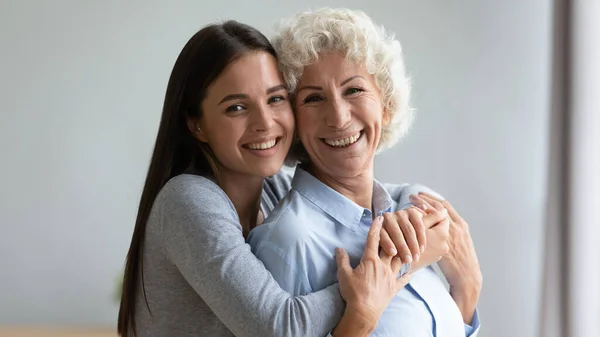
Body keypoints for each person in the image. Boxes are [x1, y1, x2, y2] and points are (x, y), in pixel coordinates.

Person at [117, 20, 450, 337]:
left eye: (275, 99)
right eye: (236, 107)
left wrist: (417, 216)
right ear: (196, 124)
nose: (265, 122)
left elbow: (388, 191)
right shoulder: (188, 201)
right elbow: (281, 328)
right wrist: (402, 260)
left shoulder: (271, 189)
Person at [248, 8, 482, 337]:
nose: (339, 117)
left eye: (354, 90)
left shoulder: (416, 209)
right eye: (314, 98)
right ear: (293, 122)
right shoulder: (288, 240)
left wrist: (467, 289)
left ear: (385, 105)